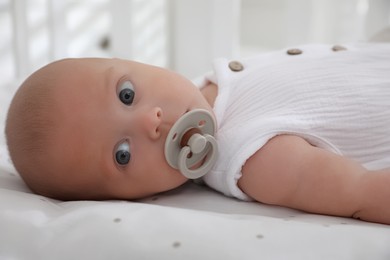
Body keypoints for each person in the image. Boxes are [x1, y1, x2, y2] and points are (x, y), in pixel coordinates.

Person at [5, 43, 390, 225]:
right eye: (122, 153)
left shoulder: (217, 82)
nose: (148, 122)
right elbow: (360, 191)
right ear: (131, 199)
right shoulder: (251, 159)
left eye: (127, 94)